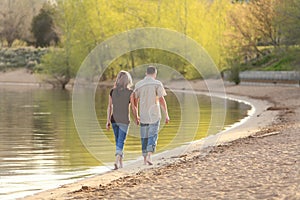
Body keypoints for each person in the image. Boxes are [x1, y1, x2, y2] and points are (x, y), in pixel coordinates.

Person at [133, 66, 170, 165]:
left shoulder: (138, 85)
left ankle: (145, 159)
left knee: (144, 136)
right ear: (155, 74)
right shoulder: (157, 84)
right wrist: (166, 114)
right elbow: (161, 100)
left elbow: (135, 102)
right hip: (154, 114)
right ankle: (149, 156)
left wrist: (136, 116)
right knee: (152, 135)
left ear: (146, 73)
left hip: (143, 114)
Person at [106, 70, 138, 170]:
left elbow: (109, 107)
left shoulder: (112, 91)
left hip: (114, 120)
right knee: (120, 141)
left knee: (118, 141)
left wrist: (108, 120)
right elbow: (133, 108)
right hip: (124, 120)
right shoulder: (130, 93)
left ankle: (121, 164)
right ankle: (116, 162)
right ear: (128, 80)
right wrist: (136, 118)